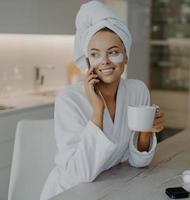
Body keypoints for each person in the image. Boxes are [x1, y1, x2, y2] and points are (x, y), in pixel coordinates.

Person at [40, 1, 165, 199]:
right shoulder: (69, 100)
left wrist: (146, 132)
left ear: (126, 56)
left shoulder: (137, 91)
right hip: (67, 192)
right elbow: (80, 175)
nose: (105, 61)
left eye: (113, 52)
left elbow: (138, 162)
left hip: (109, 188)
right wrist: (97, 112)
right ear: (88, 60)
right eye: (95, 54)